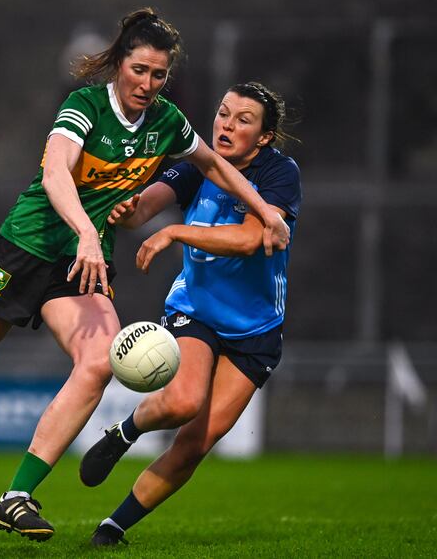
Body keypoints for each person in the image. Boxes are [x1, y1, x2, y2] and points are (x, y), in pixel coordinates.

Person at [0, 10, 290, 547]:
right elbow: (54, 172)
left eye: (159, 75)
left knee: (97, 362)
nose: (147, 84)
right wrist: (87, 231)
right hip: (23, 249)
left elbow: (215, 166)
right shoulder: (84, 106)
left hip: (79, 267)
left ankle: (17, 494)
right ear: (118, 64)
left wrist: (264, 211)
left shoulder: (166, 121)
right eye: (139, 70)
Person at [78, 81, 302, 546]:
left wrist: (176, 232)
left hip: (257, 330)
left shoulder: (279, 173)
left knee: (194, 445)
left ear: (263, 138)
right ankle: (126, 431)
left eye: (244, 120)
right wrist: (128, 207)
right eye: (223, 113)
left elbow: (248, 239)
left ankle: (113, 527)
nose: (227, 124)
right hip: (195, 310)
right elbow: (145, 210)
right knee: (182, 403)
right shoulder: (197, 167)